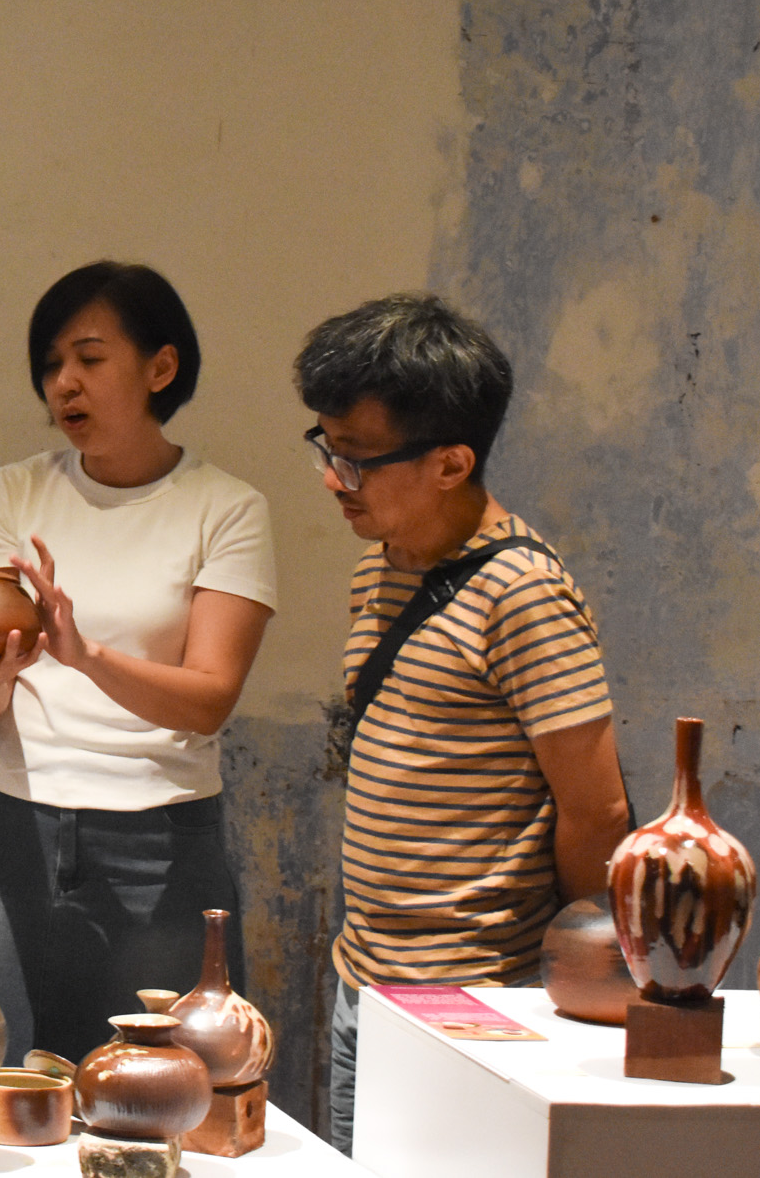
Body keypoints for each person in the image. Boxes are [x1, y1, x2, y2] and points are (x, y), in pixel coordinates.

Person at [0, 261, 278, 1068]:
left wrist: (87, 655)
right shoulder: (16, 491)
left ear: (161, 367)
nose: (63, 382)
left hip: (159, 841)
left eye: (89, 357)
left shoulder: (227, 508)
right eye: (51, 364)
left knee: (158, 1089)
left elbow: (209, 698)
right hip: (0, 822)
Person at [295, 292, 630, 1154]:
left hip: (476, 998)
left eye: (357, 459)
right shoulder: (382, 569)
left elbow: (596, 810)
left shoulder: (523, 595)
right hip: (365, 980)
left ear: (451, 462)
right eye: (326, 448)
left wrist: (576, 981)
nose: (334, 478)